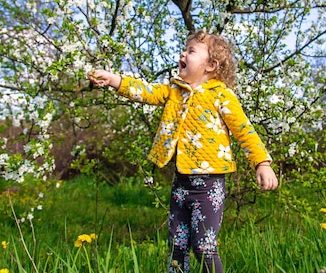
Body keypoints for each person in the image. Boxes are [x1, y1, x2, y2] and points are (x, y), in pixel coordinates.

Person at [87, 30, 278, 273]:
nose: (183, 54)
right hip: (181, 184)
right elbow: (145, 91)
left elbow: (244, 130)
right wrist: (115, 79)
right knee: (177, 246)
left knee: (203, 247)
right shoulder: (173, 91)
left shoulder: (221, 96)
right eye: (184, 49)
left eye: (191, 51)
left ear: (211, 64)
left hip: (209, 186)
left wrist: (262, 162)